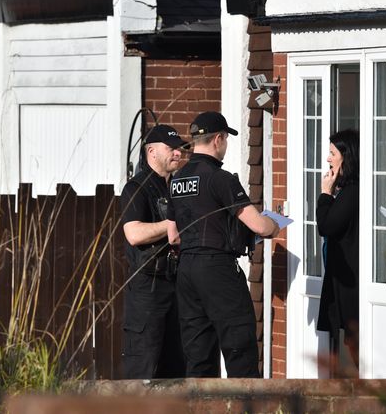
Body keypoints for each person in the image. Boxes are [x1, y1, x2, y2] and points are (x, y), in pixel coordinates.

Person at [166, 111, 280, 378]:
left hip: (186, 271)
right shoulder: (221, 178)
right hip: (217, 268)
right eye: (226, 139)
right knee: (239, 343)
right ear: (218, 139)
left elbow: (173, 235)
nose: (226, 145)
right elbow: (259, 226)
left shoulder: (178, 179)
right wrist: (274, 225)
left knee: (198, 352)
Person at [119, 124, 187, 379]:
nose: (178, 154)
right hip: (148, 289)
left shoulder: (177, 187)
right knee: (144, 369)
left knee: (177, 370)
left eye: (179, 149)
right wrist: (171, 224)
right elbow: (134, 234)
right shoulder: (137, 187)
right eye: (171, 149)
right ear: (151, 151)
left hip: (179, 285)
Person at [316, 128, 360, 373]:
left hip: (351, 279)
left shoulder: (352, 192)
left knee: (354, 341)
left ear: (346, 156)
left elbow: (326, 226)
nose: (328, 158)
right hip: (343, 277)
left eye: (332, 153)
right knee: (349, 339)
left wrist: (325, 194)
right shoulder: (348, 190)